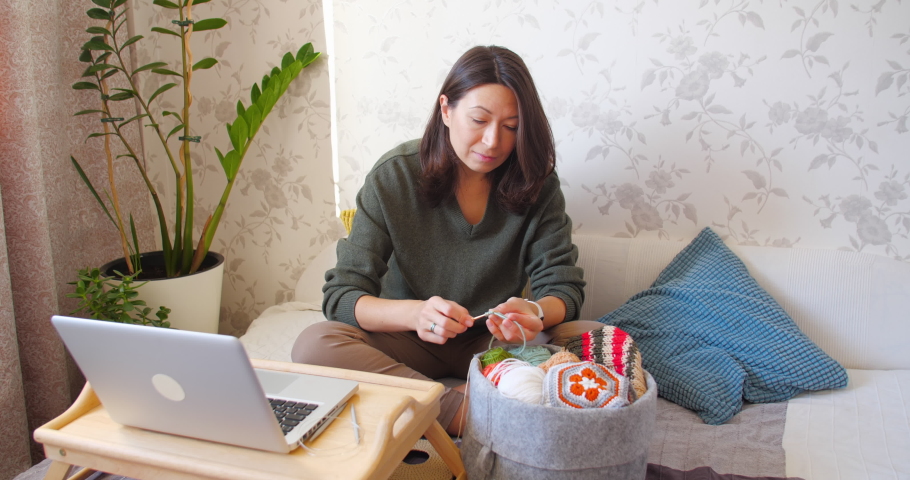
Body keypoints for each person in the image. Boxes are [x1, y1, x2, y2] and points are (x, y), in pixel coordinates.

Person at [292, 45, 603, 435]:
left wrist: (534, 312)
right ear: (446, 109)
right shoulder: (395, 176)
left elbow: (563, 288)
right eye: (479, 119)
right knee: (314, 345)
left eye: (511, 126)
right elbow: (342, 296)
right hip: (405, 339)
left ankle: (450, 406)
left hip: (493, 342)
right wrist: (415, 314)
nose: (493, 141)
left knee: (600, 339)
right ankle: (463, 412)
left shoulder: (536, 184)